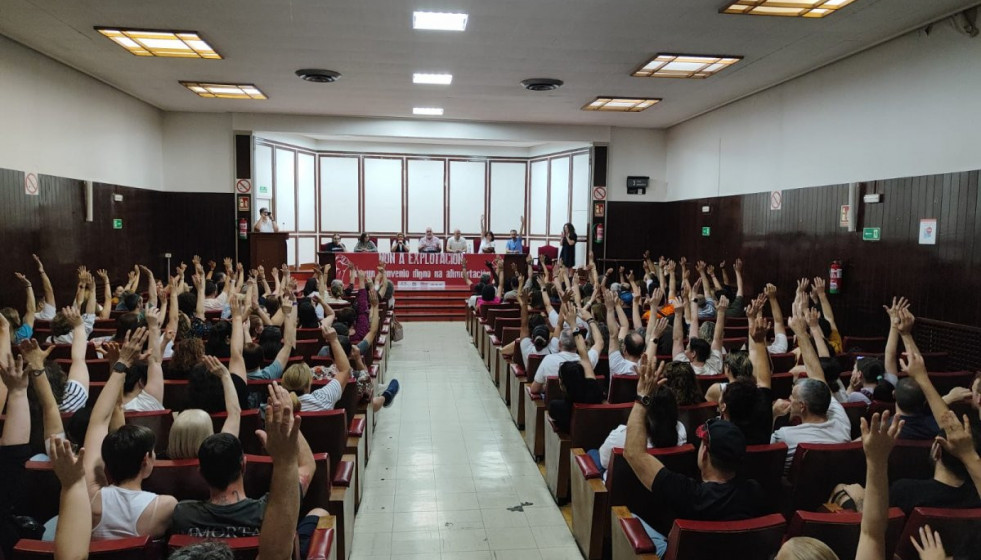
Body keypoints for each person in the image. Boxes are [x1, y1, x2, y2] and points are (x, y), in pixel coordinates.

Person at [624, 356, 762, 557]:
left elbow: (634, 454)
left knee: (628, 517)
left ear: (704, 452)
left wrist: (643, 398)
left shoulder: (688, 494)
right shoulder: (754, 492)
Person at [169, 383, 327, 558]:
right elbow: (307, 466)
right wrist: (287, 419)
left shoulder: (181, 514)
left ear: (201, 473)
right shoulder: (271, 511)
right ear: (244, 465)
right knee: (319, 513)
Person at [82, 329, 178, 539]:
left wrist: (119, 366)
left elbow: (99, 421)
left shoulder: (90, 498)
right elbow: (105, 418)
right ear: (146, 459)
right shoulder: (165, 506)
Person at [771, 304, 852, 472]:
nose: (790, 399)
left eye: (793, 397)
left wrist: (774, 416)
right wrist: (803, 333)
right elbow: (818, 377)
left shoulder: (785, 436)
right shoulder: (842, 421)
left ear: (802, 406)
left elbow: (771, 468)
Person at [594, 383, 686, 479]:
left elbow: (604, 462)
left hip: (621, 491)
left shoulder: (621, 434)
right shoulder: (681, 431)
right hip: (660, 491)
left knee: (592, 454)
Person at [528, 306, 602, 395]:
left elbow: (534, 389)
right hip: (579, 403)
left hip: (552, 405)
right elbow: (599, 342)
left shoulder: (548, 360)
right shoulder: (587, 362)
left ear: (559, 344)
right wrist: (590, 320)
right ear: (578, 345)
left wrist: (545, 388)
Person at [548, 331, 605, 434]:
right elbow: (585, 359)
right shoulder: (595, 392)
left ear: (562, 385)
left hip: (572, 446)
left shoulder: (556, 406)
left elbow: (585, 358)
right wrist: (575, 326)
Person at [671, 293, 726, 375]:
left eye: (688, 349)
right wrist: (721, 312)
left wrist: (678, 313)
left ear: (693, 354)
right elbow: (718, 339)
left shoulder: (680, 368)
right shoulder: (715, 367)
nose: (685, 351)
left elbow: (677, 339)